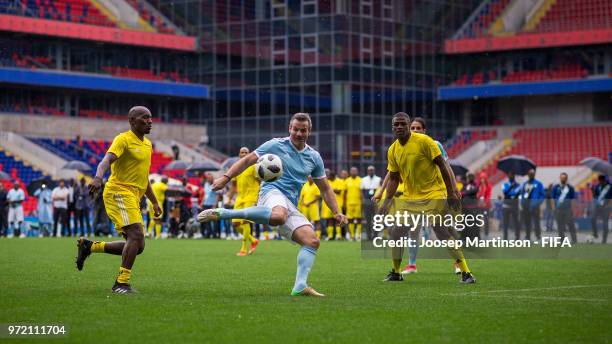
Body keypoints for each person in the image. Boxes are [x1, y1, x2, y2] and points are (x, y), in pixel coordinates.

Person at [197, 112, 347, 297]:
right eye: (295, 129)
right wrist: (226, 177)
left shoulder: (314, 157)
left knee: (312, 241)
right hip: (271, 192)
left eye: (303, 130)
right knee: (278, 215)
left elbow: (325, 188)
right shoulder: (275, 144)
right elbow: (247, 160)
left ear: (309, 131)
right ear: (289, 129)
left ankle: (300, 286)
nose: (299, 134)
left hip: (290, 203)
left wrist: (337, 211)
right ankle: (225, 213)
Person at [378, 112, 474, 284]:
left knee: (441, 231)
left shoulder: (426, 142)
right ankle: (396, 272)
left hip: (434, 194)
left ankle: (466, 273)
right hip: (411, 197)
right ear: (392, 127)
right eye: (396, 124)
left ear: (408, 126)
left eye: (403, 124)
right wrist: (386, 201)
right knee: (395, 232)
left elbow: (443, 166)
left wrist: (452, 191)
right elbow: (393, 177)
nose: (399, 127)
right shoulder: (393, 149)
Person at [77, 106, 162, 294]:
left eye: (150, 118)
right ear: (132, 121)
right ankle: (121, 284)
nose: (149, 121)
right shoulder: (123, 139)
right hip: (118, 192)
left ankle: (90, 247)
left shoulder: (147, 145)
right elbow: (105, 161)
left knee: (138, 246)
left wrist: (154, 201)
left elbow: (143, 177)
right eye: (144, 118)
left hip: (133, 196)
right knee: (136, 236)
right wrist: (98, 177)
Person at [226, 146, 261, 256]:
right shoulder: (236, 168)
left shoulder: (254, 167)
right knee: (235, 223)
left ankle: (243, 249)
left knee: (246, 221)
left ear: (249, 154)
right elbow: (233, 186)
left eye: (246, 152)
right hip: (240, 197)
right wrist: (229, 199)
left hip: (251, 196)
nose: (244, 154)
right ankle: (253, 240)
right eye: (242, 152)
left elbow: (260, 182)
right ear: (239, 154)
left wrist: (260, 197)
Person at [551, 172, 577, 244]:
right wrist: (553, 208)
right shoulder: (555, 187)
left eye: (564, 178)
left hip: (567, 209)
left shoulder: (570, 188)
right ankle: (562, 240)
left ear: (566, 178)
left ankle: (574, 240)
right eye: (562, 178)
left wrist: (573, 209)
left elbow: (572, 199)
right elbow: (552, 199)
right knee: (560, 226)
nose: (563, 179)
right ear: (560, 178)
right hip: (558, 209)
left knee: (570, 225)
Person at [520, 169, 545, 241]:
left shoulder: (538, 183)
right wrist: (522, 202)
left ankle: (538, 236)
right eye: (530, 174)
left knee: (536, 222)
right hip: (526, 206)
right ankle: (527, 236)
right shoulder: (525, 184)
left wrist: (538, 202)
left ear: (534, 175)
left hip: (535, 206)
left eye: (532, 174)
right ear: (528, 175)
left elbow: (542, 195)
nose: (531, 175)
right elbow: (522, 194)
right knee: (527, 222)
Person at [321, 169, 346, 240]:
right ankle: (330, 236)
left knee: (338, 219)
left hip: (337, 204)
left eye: (329, 176)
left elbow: (339, 191)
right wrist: (329, 189)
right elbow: (323, 191)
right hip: (327, 205)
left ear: (333, 176)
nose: (328, 177)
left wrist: (329, 189)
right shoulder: (326, 181)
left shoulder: (339, 181)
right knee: (329, 220)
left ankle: (338, 235)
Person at [360, 165, 381, 239]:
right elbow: (361, 191)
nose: (371, 171)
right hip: (367, 200)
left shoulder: (378, 179)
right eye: (369, 170)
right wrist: (363, 200)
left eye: (372, 170)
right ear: (367, 171)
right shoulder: (363, 179)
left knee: (376, 218)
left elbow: (380, 190)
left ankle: (375, 235)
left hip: (375, 201)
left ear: (374, 171)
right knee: (368, 219)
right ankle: (368, 236)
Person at [502, 171, 521, 240]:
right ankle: (505, 237)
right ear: (508, 176)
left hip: (514, 206)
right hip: (506, 206)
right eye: (510, 175)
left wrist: (510, 193)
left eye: (512, 174)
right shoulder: (505, 184)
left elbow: (516, 193)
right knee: (505, 223)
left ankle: (517, 237)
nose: (511, 176)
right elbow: (505, 192)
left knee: (516, 222)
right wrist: (511, 188)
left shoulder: (518, 185)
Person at [591, 175, 610, 243]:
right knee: (593, 219)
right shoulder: (598, 186)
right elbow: (595, 196)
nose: (600, 182)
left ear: (604, 181)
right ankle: (595, 233)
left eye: (601, 181)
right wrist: (592, 190)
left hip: (606, 206)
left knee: (605, 223)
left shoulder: (609, 187)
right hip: (598, 206)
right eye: (599, 181)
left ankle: (604, 240)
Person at [200, 173, 220, 238]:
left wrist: (215, 205)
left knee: (215, 220)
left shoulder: (215, 184)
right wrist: (202, 203)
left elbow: (217, 195)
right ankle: (208, 233)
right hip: (206, 204)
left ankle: (215, 234)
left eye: (209, 178)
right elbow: (205, 195)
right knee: (206, 220)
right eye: (207, 178)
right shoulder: (205, 184)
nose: (208, 179)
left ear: (212, 178)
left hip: (212, 204)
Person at [345, 167, 362, 241]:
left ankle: (358, 235)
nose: (353, 172)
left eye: (355, 171)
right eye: (352, 171)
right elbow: (345, 193)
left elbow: (362, 193)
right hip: (349, 203)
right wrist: (344, 203)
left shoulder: (360, 180)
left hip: (358, 203)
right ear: (350, 172)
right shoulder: (347, 180)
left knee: (359, 219)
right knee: (350, 219)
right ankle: (352, 235)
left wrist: (362, 202)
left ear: (357, 172)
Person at [476, 172, 492, 238]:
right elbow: (477, 195)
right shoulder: (478, 186)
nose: (482, 179)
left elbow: (488, 195)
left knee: (486, 219)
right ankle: (477, 233)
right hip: (479, 205)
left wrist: (485, 202)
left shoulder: (488, 186)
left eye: (483, 178)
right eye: (481, 178)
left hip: (486, 206)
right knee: (478, 219)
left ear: (485, 179)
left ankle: (486, 233)